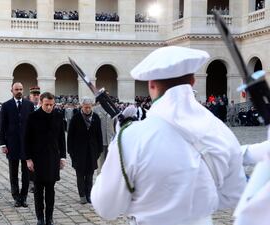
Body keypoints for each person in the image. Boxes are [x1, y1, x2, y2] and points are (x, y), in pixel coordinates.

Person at [91, 46, 246, 225]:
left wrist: (117, 143)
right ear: (193, 81)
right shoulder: (221, 131)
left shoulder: (131, 138)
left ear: (151, 84)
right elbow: (234, 193)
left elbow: (106, 207)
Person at [24, 92, 66, 225]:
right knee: (38, 190)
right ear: (41, 102)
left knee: (50, 190)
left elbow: (61, 139)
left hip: (53, 158)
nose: (49, 107)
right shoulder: (32, 117)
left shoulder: (58, 116)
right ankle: (40, 218)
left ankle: (49, 217)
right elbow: (26, 140)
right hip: (37, 159)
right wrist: (28, 159)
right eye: (46, 104)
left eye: (51, 105)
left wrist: (63, 157)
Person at [0, 82, 34, 207]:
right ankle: (16, 197)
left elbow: (32, 126)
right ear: (12, 90)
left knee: (26, 173)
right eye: (16, 89)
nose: (19, 91)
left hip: (26, 145)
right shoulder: (6, 105)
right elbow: (2, 125)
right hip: (12, 144)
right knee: (13, 172)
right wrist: (3, 144)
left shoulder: (29, 105)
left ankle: (24, 197)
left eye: (20, 89)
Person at [68, 97, 102, 204]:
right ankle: (82, 195)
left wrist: (99, 150)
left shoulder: (96, 117)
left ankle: (89, 194)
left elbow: (99, 136)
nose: (87, 109)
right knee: (80, 175)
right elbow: (70, 136)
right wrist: (71, 151)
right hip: (79, 152)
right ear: (82, 106)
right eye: (85, 107)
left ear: (92, 106)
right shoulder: (76, 118)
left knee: (90, 175)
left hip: (92, 152)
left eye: (89, 107)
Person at [93, 102, 114, 174]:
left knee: (110, 161)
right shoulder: (95, 109)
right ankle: (100, 177)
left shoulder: (112, 109)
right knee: (100, 161)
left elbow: (116, 124)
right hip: (100, 139)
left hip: (111, 140)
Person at [28, 86, 41, 193]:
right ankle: (31, 182)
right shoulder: (27, 108)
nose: (36, 97)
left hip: (41, 141)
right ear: (30, 96)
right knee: (30, 163)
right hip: (31, 140)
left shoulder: (43, 107)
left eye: (37, 95)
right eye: (34, 95)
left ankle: (40, 181)